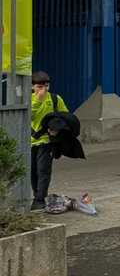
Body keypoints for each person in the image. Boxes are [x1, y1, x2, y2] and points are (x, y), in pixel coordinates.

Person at [28, 71, 69, 211]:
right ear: (32, 86)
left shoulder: (55, 99)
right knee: (33, 171)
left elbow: (66, 116)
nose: (43, 90)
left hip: (47, 141)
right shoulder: (29, 99)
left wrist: (58, 128)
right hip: (31, 141)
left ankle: (40, 199)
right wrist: (38, 100)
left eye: (46, 86)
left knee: (43, 170)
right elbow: (29, 116)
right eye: (39, 86)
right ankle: (37, 195)